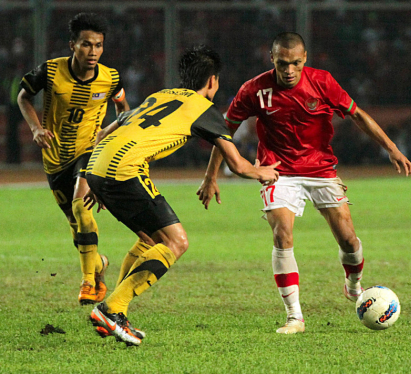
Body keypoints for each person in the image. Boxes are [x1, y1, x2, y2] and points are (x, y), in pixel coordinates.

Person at [197, 32, 411, 334]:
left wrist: (391, 148)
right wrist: (211, 177)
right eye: (283, 63)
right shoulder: (254, 90)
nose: (288, 70)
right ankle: (294, 317)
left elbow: (358, 115)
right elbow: (224, 132)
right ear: (272, 59)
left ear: (305, 59)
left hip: (321, 169)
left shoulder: (323, 82)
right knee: (282, 234)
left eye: (295, 63)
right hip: (277, 170)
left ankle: (353, 284)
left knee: (349, 240)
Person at [85, 45, 280, 346]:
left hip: (99, 166)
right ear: (212, 81)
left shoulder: (160, 95)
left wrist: (93, 177)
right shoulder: (204, 109)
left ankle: (116, 311)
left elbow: (103, 134)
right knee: (176, 242)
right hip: (124, 169)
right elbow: (238, 164)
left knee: (150, 240)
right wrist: (263, 172)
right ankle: (112, 309)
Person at [17, 13, 130, 305]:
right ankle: (99, 266)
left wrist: (108, 136)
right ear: (73, 45)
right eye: (86, 45)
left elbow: (124, 112)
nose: (93, 52)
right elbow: (23, 97)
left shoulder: (110, 77)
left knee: (82, 209)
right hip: (55, 160)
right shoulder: (51, 72)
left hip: (88, 153)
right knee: (75, 224)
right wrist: (36, 129)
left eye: (98, 45)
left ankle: (87, 283)